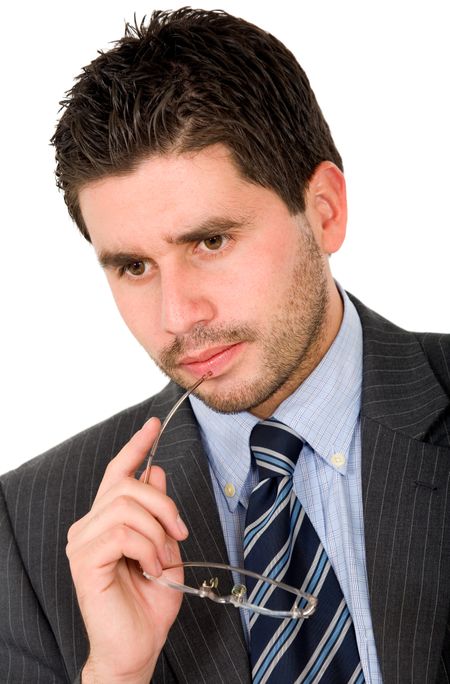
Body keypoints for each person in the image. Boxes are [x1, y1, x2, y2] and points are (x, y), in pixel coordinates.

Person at [0, 7, 448, 683]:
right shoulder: (28, 528)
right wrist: (116, 674)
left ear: (324, 210)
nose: (178, 316)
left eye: (211, 242)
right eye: (134, 267)